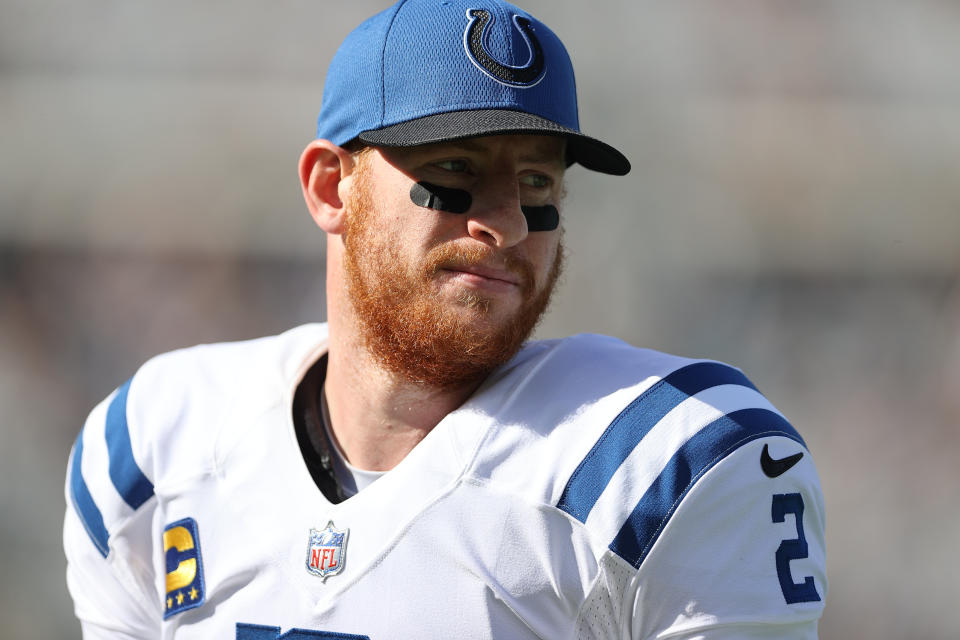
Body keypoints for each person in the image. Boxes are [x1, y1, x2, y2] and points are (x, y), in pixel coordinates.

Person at [63, 1, 827, 638]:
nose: (508, 224)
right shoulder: (157, 451)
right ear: (333, 188)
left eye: (537, 181)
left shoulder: (665, 463)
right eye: (456, 169)